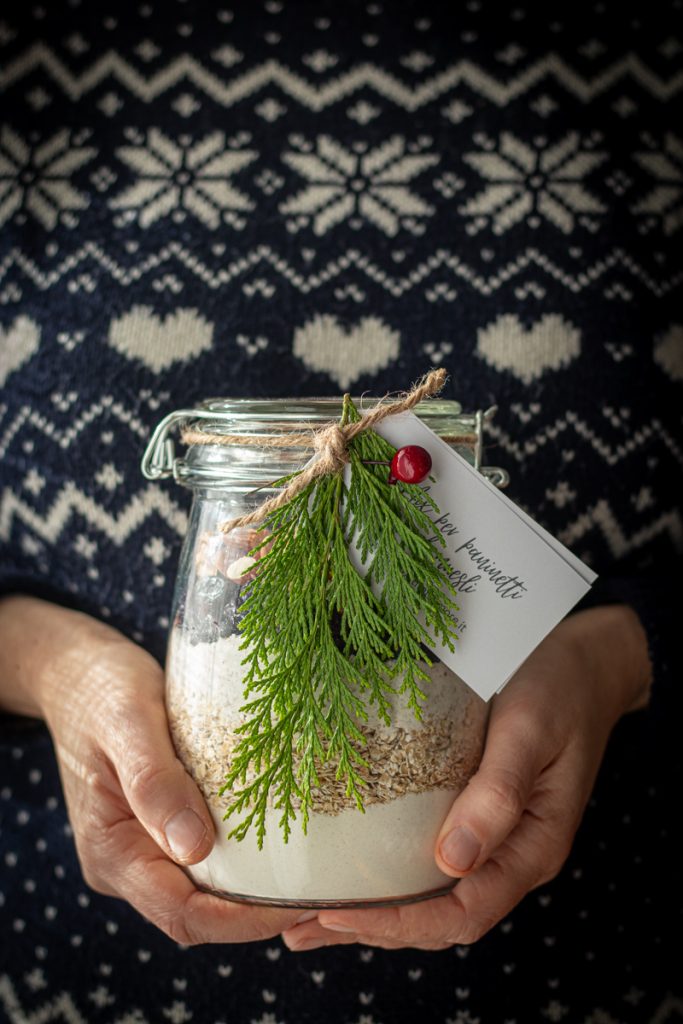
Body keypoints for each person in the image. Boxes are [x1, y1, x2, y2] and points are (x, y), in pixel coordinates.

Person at [1, 0, 681, 1020]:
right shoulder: (30, 59)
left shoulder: (652, 70)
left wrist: (620, 653)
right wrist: (52, 668)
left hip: (589, 976)